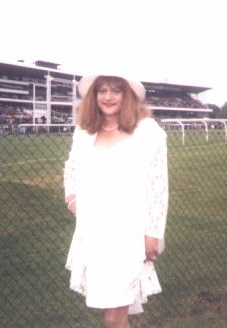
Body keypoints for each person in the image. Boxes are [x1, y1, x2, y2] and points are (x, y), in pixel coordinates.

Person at [63, 72, 169, 328]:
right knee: (113, 314)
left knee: (114, 315)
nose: (107, 97)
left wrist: (152, 233)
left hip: (128, 235)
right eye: (102, 90)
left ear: (128, 95)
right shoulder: (84, 132)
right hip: (94, 235)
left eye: (115, 90)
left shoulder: (147, 131)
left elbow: (158, 184)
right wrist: (72, 200)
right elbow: (71, 168)